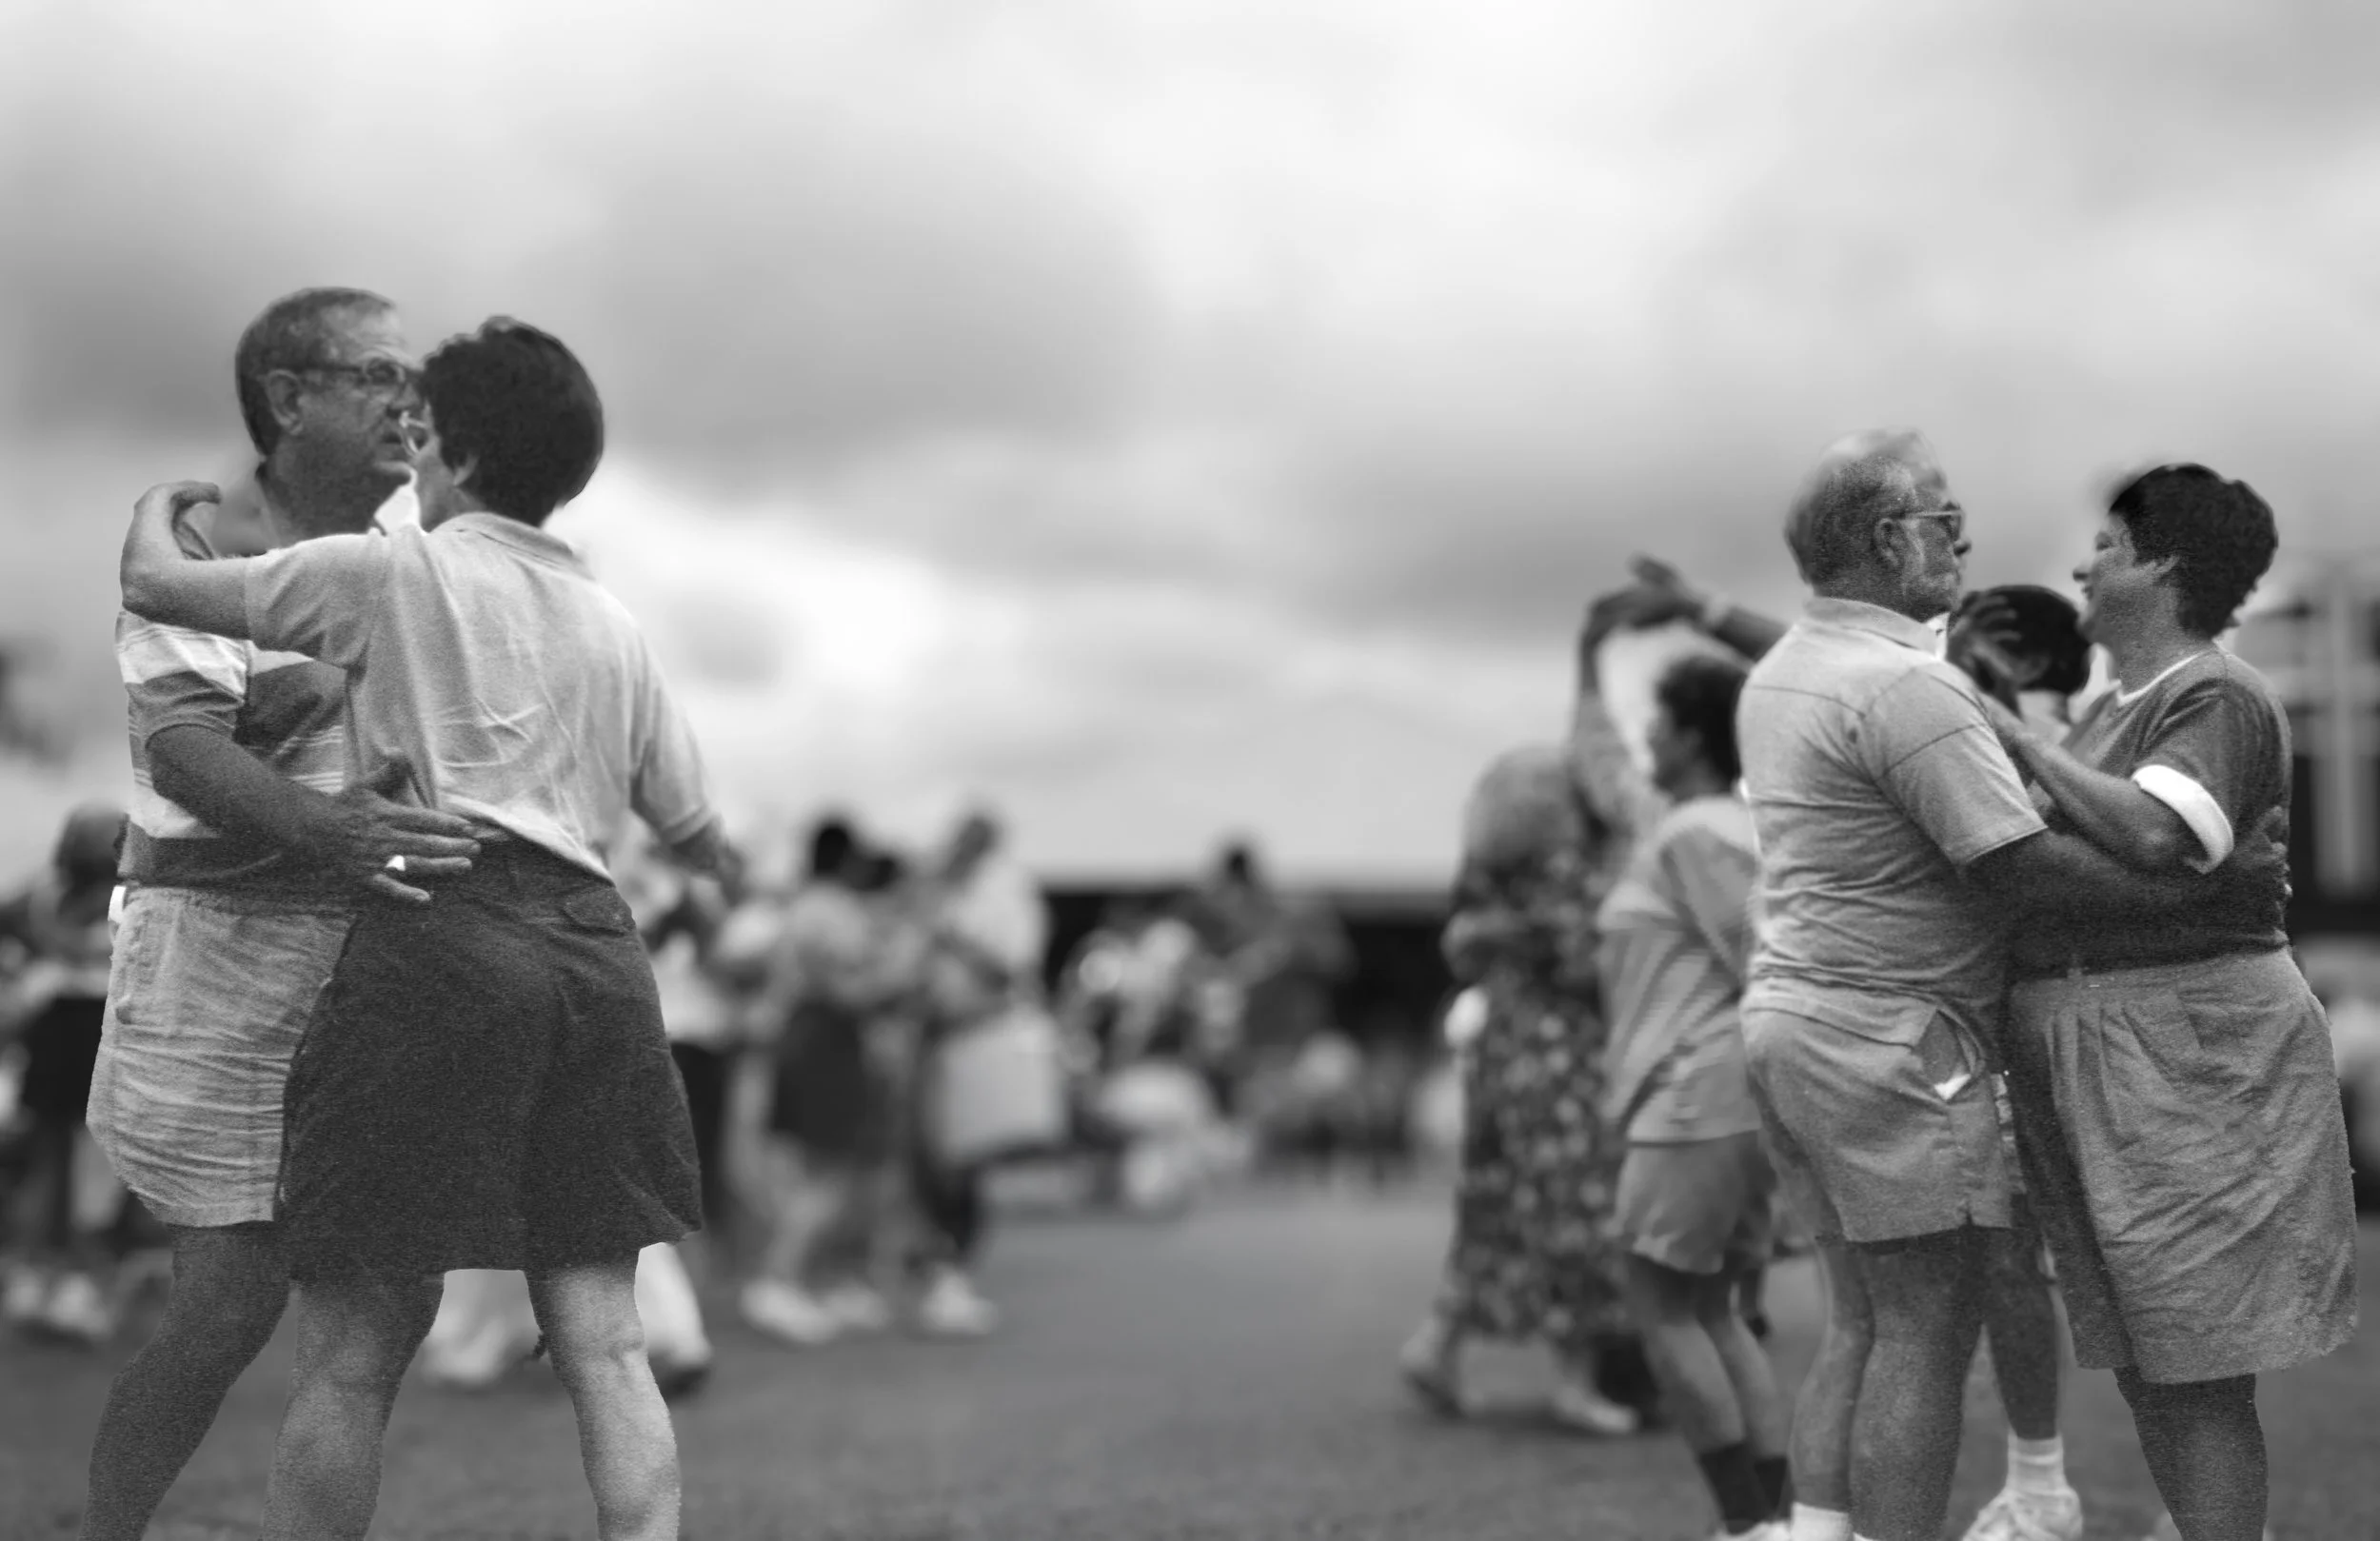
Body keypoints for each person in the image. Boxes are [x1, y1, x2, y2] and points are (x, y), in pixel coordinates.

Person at [118, 317, 731, 1541]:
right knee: (609, 1340)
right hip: (597, 949)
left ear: (442, 448)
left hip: (441, 924)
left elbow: (159, 590)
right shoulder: (615, 626)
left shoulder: (388, 572)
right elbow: (694, 824)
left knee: (352, 1351)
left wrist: (153, 504)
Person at [1730, 429, 2275, 1541]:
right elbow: (2022, 866)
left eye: (2105, 543)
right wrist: (2199, 899)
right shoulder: (1908, 689)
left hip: (1794, 1024)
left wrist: (2009, 735)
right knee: (1924, 1331)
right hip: (1892, 1039)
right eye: (1941, 517)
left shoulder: (1787, 669)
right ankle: (2039, 1497)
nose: (1966, 536)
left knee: (1873, 1320)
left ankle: (1844, 1523)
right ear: (1889, 538)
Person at [76, 287, 486, 1541]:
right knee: (226, 1304)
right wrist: (341, 829)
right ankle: (108, 1530)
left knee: (385, 1296)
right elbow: (189, 750)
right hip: (222, 958)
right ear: (290, 395)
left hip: (379, 961)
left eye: (415, 378)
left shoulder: (428, 544)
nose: (406, 402)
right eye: (375, 375)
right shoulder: (202, 543)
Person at [1641, 559, 2096, 1541]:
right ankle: (2003, 1491)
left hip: (1985, 1035)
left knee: (1944, 1301)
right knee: (1903, 1312)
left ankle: (2040, 1484)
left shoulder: (2051, 747)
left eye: (1965, 632)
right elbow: (1812, 661)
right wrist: (1702, 607)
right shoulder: (1927, 707)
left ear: (2015, 653)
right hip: (1916, 1042)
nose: (1931, 648)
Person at [1981, 464, 2356, 1541]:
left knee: (2191, 1366)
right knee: (2152, 1360)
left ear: (2162, 565)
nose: (2079, 566)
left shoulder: (2217, 692)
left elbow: (2154, 835)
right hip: (2107, 1042)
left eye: (2105, 543)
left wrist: (2014, 743)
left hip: (2182, 1045)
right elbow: (2108, 855)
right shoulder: (2110, 706)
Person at [1581, 635, 1789, 1541]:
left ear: (1695, 737)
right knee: (1712, 1308)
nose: (1645, 737)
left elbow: (1763, 961)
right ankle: (1772, 1524)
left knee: (1663, 1304)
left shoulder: (1697, 833)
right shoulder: (1714, 828)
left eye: (1658, 722)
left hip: (1694, 1095)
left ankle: (1749, 1525)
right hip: (1719, 1096)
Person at [1396, 742, 1642, 1438]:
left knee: (1496, 1201)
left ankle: (1437, 1344)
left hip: (1500, 1042)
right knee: (1576, 1207)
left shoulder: (1487, 871)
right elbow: (1587, 960)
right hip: (1563, 1050)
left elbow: (1462, 946)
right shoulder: (1565, 868)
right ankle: (1574, 1381)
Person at [743, 818, 910, 1345]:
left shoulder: (811, 905)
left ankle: (809, 1282)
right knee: (830, 1176)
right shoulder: (828, 909)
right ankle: (778, 1280)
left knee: (831, 1174)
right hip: (825, 1043)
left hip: (816, 1040)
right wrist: (904, 971)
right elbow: (850, 991)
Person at [906, 808, 1051, 1337]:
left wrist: (951, 935)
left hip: (971, 1040)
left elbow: (1009, 966)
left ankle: (951, 1274)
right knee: (928, 1167)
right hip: (930, 1038)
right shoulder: (938, 888)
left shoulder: (1003, 894)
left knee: (960, 1167)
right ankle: (937, 1273)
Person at [0, 805, 129, 1346]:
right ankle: (46, 1281)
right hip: (62, 1054)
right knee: (60, 1172)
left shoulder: (128, 906)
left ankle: (69, 1284)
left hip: (93, 1055)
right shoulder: (42, 903)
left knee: (82, 1177)